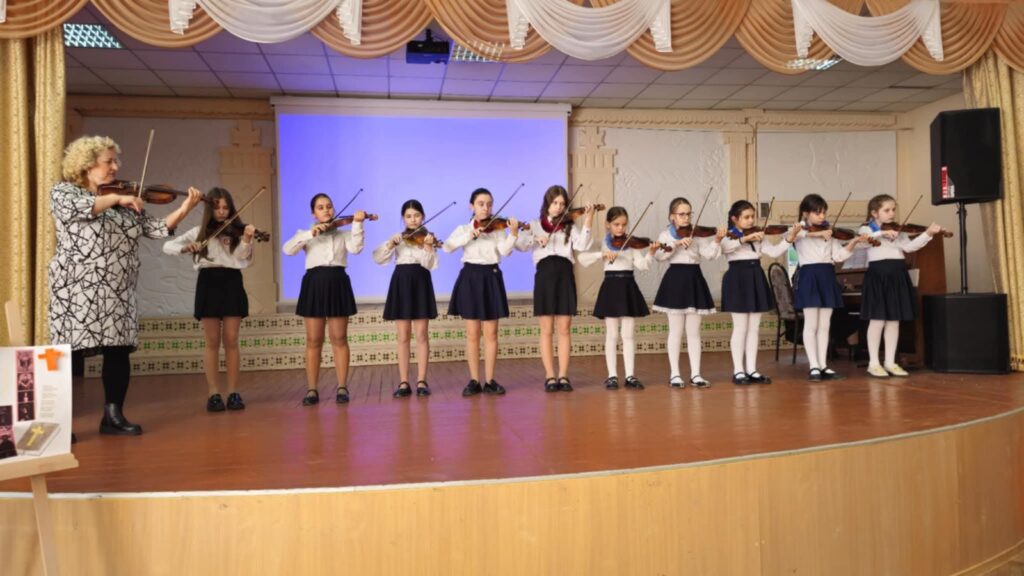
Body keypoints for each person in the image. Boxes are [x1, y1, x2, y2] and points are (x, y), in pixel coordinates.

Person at [49, 135, 203, 436]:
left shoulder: (125, 204)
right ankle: (59, 424)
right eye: (109, 161)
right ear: (87, 164)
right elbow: (86, 207)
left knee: (118, 352)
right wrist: (117, 199)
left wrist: (186, 207)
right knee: (69, 355)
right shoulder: (64, 192)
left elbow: (157, 229)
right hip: (76, 292)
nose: (115, 167)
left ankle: (113, 416)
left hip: (118, 291)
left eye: (115, 161)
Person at [164, 187, 255, 411]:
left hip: (231, 282)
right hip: (208, 282)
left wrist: (246, 239)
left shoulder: (236, 232)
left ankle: (233, 392)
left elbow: (242, 257)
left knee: (231, 339)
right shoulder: (199, 232)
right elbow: (167, 245)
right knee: (212, 341)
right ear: (209, 209)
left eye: (226, 208)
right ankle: (213, 393)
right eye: (217, 208)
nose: (222, 212)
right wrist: (186, 248)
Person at [283, 194, 366, 405]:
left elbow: (356, 249)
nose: (326, 210)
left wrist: (357, 224)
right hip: (314, 284)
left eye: (329, 206)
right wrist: (309, 234)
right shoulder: (305, 234)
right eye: (320, 207)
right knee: (314, 340)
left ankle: (342, 387)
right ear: (314, 213)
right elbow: (288, 250)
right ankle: (312, 389)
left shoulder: (343, 234)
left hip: (338, 282)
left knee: (339, 338)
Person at [515, 185, 595, 392]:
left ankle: (563, 375)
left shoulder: (569, 225)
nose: (558, 207)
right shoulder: (534, 224)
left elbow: (582, 245)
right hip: (544, 275)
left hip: (565, 274)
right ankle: (550, 375)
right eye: (555, 203)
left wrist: (588, 219)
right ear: (547, 203)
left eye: (562, 203)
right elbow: (520, 244)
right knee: (546, 329)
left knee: (564, 328)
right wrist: (535, 238)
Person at [443, 188, 519, 397]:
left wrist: (513, 234)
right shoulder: (463, 229)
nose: (486, 208)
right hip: (470, 277)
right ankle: (474, 380)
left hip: (491, 277)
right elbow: (447, 247)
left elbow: (505, 251)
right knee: (472, 334)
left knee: (491, 334)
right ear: (472, 206)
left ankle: (490, 381)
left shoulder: (497, 229)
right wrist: (469, 235)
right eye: (481, 204)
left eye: (489, 204)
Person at [784, 194, 869, 381]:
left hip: (827, 276)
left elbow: (838, 256)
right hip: (809, 276)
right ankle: (813, 366)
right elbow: (791, 235)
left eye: (823, 212)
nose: (822, 216)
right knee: (811, 324)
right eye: (817, 213)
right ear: (805, 213)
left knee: (824, 325)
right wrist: (818, 234)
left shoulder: (829, 232)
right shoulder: (798, 229)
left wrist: (853, 243)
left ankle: (823, 365)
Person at [858, 194, 941, 378]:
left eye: (893, 210)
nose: (891, 213)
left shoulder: (898, 230)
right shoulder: (866, 228)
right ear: (874, 213)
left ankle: (890, 362)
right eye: (887, 210)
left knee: (894, 320)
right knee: (877, 320)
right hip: (878, 276)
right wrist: (881, 233)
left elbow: (909, 247)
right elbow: (862, 241)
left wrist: (927, 234)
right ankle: (873, 363)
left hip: (897, 275)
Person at [720, 200, 798, 385]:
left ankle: (752, 369)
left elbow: (774, 252)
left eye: (752, 217)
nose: (750, 220)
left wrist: (790, 238)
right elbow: (725, 248)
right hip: (737, 278)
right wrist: (744, 239)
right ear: (735, 219)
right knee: (740, 327)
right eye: (746, 217)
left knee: (754, 328)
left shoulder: (758, 236)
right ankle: (738, 371)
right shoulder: (728, 236)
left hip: (755, 276)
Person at [581, 207, 660, 391]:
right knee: (612, 335)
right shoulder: (602, 242)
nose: (620, 228)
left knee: (628, 335)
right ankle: (612, 376)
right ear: (608, 224)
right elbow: (583, 259)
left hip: (627, 287)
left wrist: (651, 253)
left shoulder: (631, 244)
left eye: (624, 225)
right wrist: (601, 254)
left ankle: (630, 376)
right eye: (616, 224)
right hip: (610, 288)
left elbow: (642, 266)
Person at [652, 197, 725, 388]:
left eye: (688, 214)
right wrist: (676, 244)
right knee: (675, 331)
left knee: (694, 332)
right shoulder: (665, 235)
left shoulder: (697, 234)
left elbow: (709, 255)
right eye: (681, 214)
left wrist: (717, 240)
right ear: (672, 216)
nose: (686, 218)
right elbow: (659, 256)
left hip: (694, 278)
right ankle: (675, 374)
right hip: (675, 279)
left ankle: (696, 374)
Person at [373, 200, 439, 398]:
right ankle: (403, 382)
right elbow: (378, 258)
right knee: (403, 336)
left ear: (423, 217)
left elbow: (430, 265)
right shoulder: (398, 238)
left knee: (421, 335)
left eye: (417, 215)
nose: (413, 219)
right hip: (401, 282)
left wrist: (428, 247)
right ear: (403, 218)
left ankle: (421, 381)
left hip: (421, 282)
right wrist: (390, 244)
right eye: (409, 216)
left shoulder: (427, 238)